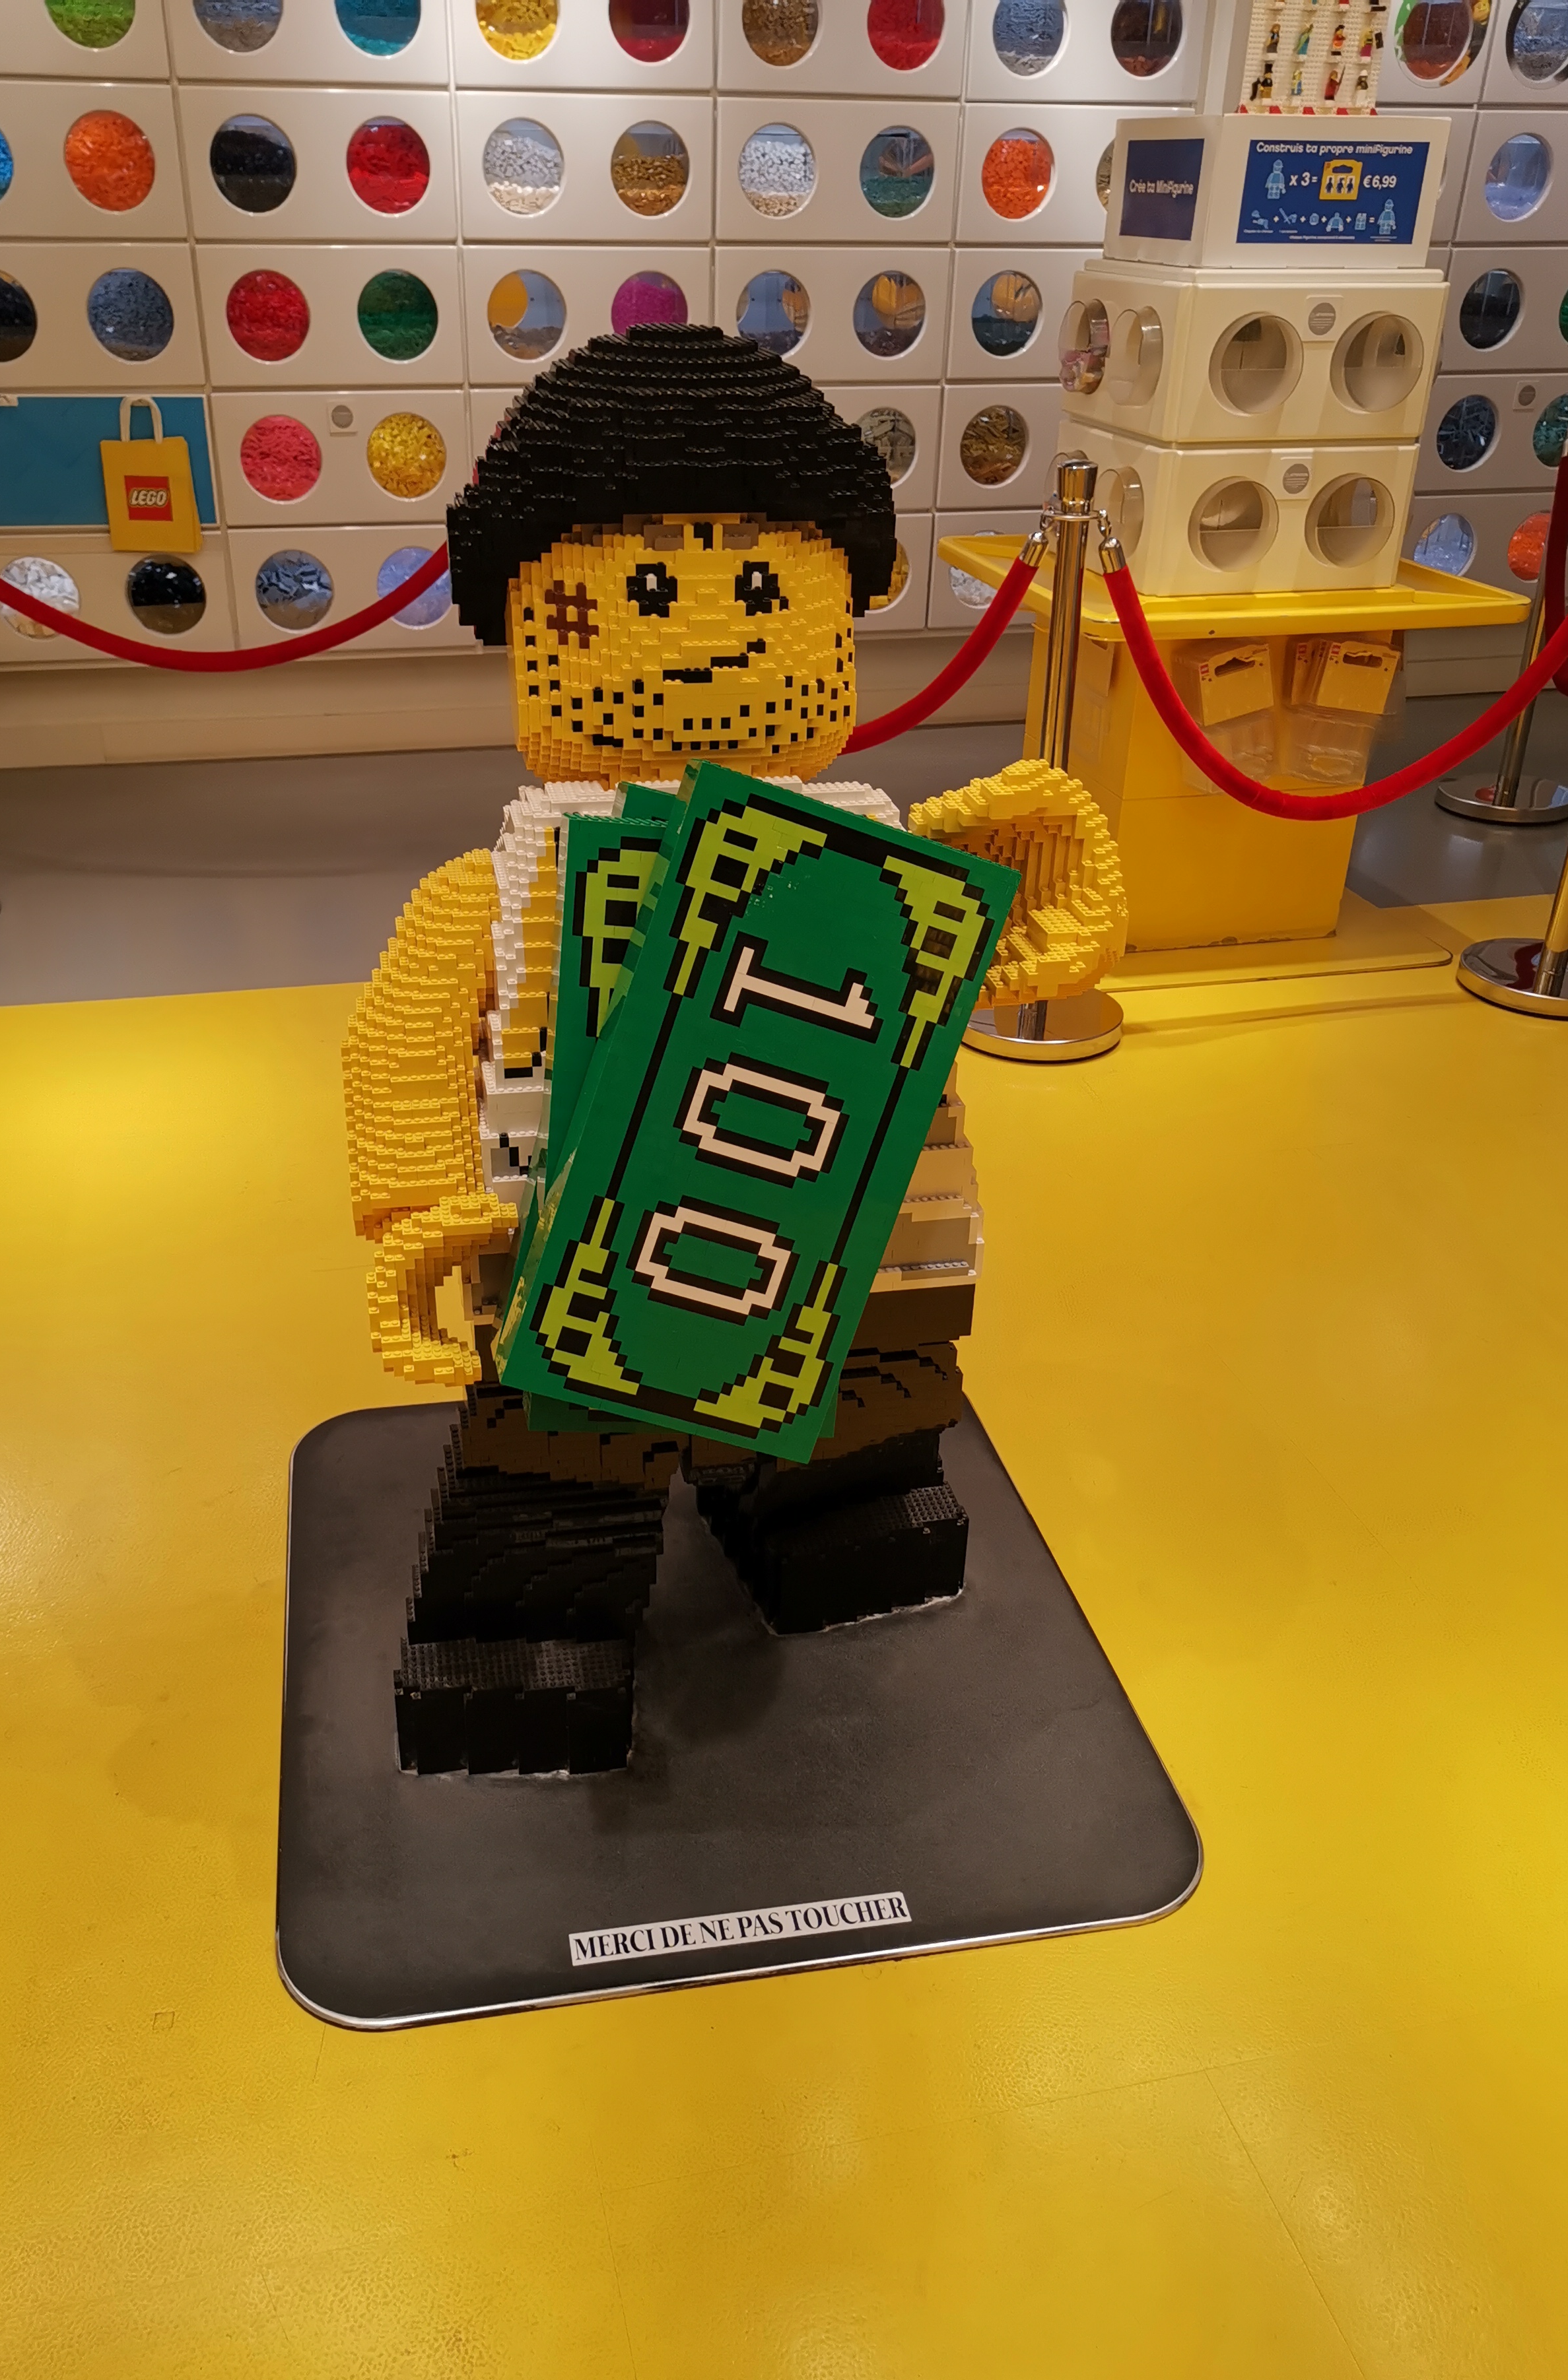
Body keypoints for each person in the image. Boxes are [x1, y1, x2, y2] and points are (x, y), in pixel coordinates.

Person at [344, 321, 1126, 1774]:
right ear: (534, 616)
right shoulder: (507, 882)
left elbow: (995, 949)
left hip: (855, 1232)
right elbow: (402, 1041)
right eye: (643, 591)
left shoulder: (875, 859)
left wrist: (1025, 901)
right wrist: (417, 1204)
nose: (708, 630)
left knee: (865, 1398)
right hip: (568, 1238)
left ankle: (836, 1512)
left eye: (764, 588)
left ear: (840, 609)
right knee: (569, 1443)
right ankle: (530, 1618)